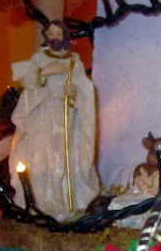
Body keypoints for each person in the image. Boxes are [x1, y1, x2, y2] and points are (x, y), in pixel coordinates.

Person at [9, 21, 99, 220]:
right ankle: (41, 203)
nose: (54, 37)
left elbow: (84, 89)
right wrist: (44, 73)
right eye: (51, 34)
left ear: (65, 36)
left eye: (58, 33)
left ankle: (66, 204)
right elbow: (28, 83)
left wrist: (74, 94)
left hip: (65, 116)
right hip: (42, 115)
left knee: (65, 158)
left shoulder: (74, 61)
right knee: (41, 158)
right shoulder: (38, 59)